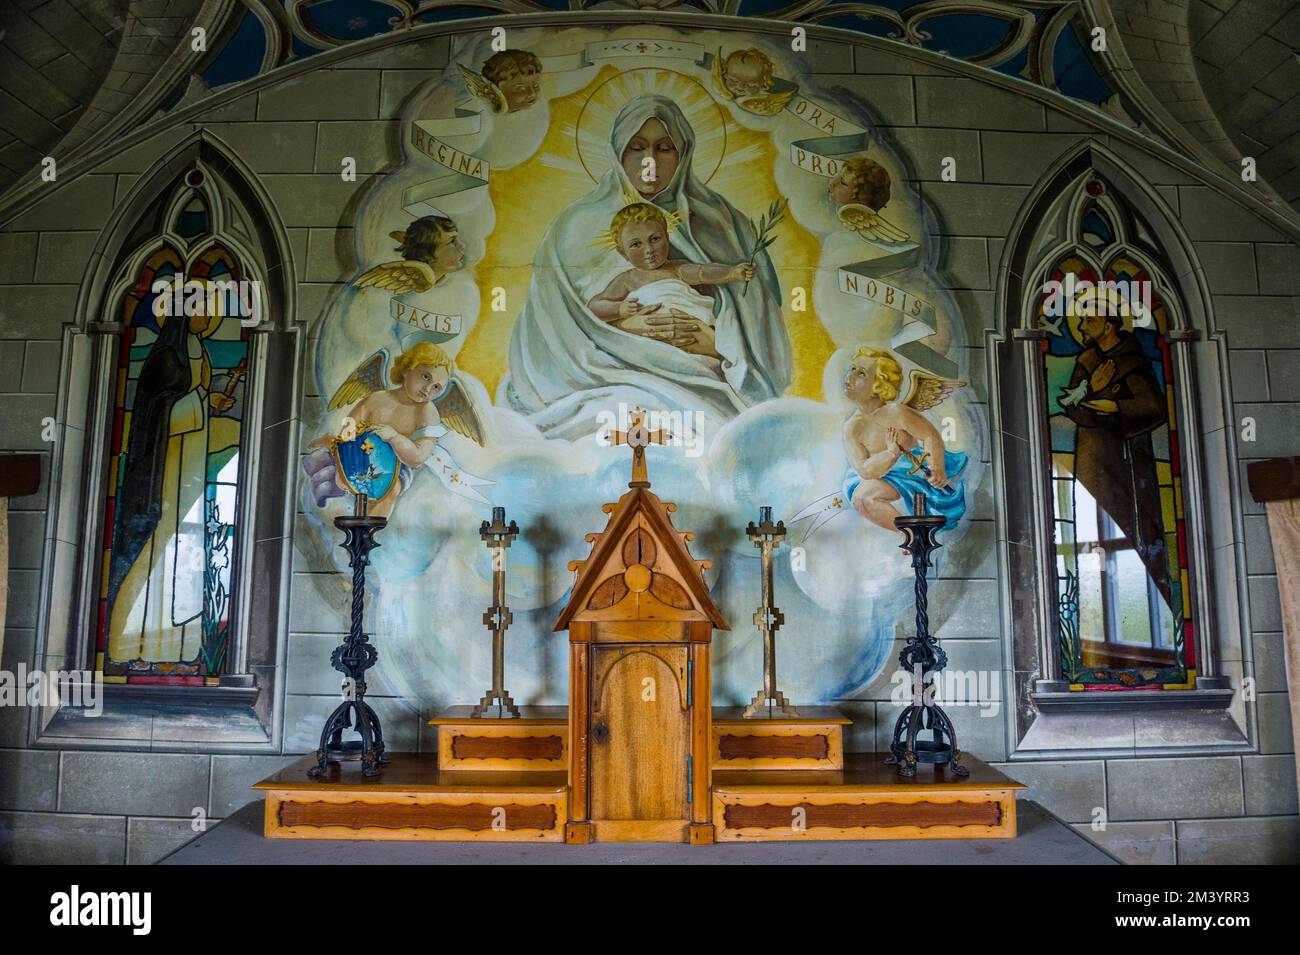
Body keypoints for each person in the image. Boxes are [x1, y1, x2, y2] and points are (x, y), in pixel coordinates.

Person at [502, 95, 790, 438]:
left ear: (683, 153)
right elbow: (550, 328)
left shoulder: (722, 222)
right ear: (618, 153)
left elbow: (759, 323)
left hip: (703, 374)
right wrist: (628, 328)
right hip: (597, 378)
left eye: (665, 148)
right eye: (637, 148)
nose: (650, 162)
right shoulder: (574, 226)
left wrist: (715, 342)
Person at [586, 203, 756, 358]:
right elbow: (595, 305)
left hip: (693, 334)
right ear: (623, 253)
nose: (649, 250)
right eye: (636, 244)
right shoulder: (627, 279)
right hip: (650, 341)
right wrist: (619, 308)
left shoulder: (677, 269)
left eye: (655, 239)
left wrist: (732, 272)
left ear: (667, 238)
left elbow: (703, 272)